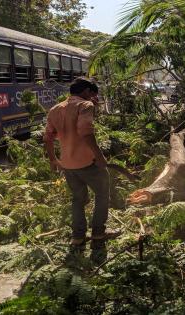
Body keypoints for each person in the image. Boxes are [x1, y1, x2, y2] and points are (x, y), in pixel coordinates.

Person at [43, 78, 120, 248]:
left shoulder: (55, 109)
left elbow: (47, 137)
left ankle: (77, 237)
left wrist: (53, 159)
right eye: (92, 94)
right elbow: (86, 132)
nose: (94, 98)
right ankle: (98, 233)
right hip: (89, 163)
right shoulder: (85, 106)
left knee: (78, 200)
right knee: (102, 195)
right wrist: (99, 156)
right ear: (86, 91)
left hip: (68, 165)